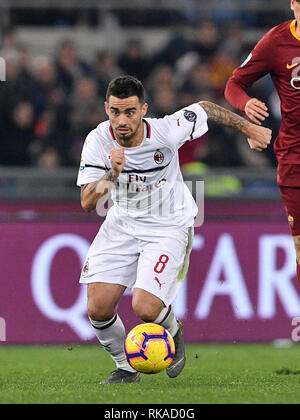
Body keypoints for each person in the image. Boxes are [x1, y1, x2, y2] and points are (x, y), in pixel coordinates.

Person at [77, 75, 271, 384]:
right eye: (115, 111)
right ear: (106, 109)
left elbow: (206, 109)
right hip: (122, 224)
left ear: (144, 109)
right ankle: (125, 368)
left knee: (145, 306)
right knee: (97, 309)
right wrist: (111, 174)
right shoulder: (99, 140)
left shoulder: (166, 131)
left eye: (129, 112)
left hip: (169, 225)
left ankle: (173, 329)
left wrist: (249, 127)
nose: (121, 120)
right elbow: (88, 202)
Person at [225, 0, 300, 284]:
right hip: (295, 160)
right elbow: (233, 84)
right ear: (293, 3)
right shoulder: (275, 42)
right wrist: (245, 104)